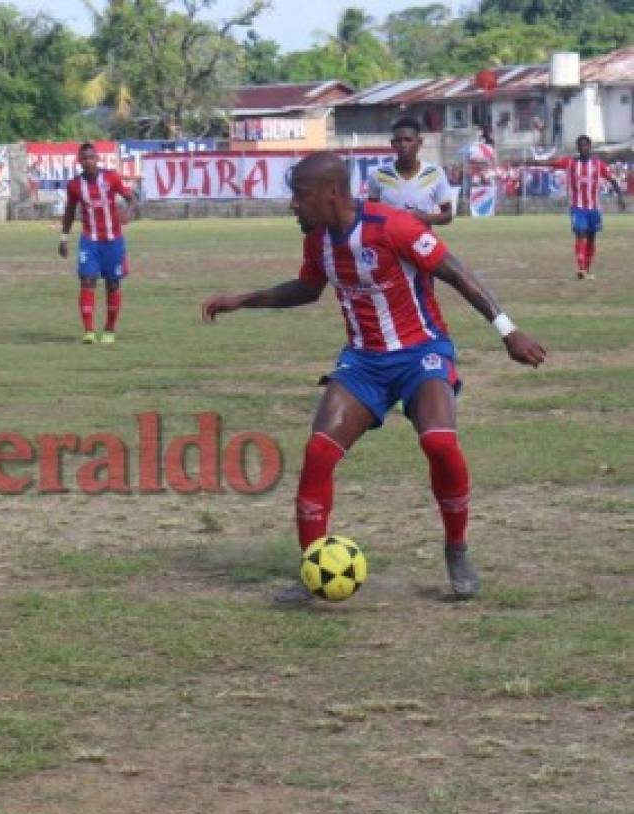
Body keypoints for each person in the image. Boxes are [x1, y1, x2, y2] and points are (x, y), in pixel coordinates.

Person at [200, 152, 547, 603]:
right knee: (319, 452)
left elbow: (457, 274)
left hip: (421, 354)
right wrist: (241, 300)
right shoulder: (318, 241)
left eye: (300, 196)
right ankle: (313, 570)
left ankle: (457, 548)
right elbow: (307, 289)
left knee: (440, 443)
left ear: (331, 193)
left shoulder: (393, 227)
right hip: (363, 363)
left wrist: (509, 331)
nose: (293, 206)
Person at [58, 142, 136, 345]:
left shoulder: (111, 177)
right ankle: (89, 331)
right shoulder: (75, 185)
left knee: (112, 285)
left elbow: (131, 198)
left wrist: (127, 213)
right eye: (84, 158)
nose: (88, 161)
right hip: (90, 241)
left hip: (113, 241)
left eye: (91, 157)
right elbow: (68, 213)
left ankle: (109, 329)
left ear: (97, 158)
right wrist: (64, 238)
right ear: (79, 161)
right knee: (87, 280)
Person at [540, 135, 625, 279]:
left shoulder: (598, 165)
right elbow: (551, 163)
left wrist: (620, 197)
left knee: (591, 238)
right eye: (580, 145)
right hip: (577, 207)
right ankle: (580, 269)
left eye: (585, 145)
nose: (583, 148)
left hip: (593, 208)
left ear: (589, 147)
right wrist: (527, 162)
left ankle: (586, 268)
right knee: (580, 233)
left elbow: (612, 180)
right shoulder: (570, 162)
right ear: (577, 148)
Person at [366, 116, 455, 227]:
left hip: (420, 241)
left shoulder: (435, 173)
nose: (403, 145)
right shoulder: (378, 174)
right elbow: (370, 213)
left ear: (419, 142)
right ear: (392, 144)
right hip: (389, 242)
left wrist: (423, 217)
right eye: (398, 141)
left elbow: (448, 215)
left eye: (408, 140)